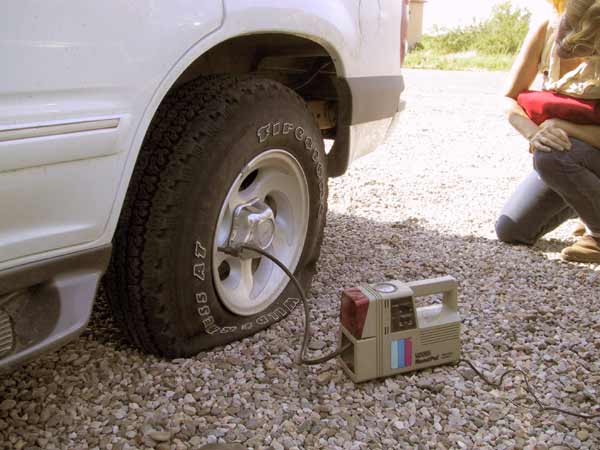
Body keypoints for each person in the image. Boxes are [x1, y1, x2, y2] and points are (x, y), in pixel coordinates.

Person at [496, 0, 600, 263]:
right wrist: (534, 133)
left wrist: (563, 126)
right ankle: (585, 205)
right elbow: (509, 98)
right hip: (574, 157)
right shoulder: (546, 29)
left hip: (580, 153)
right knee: (513, 229)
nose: (567, 42)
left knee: (552, 157)